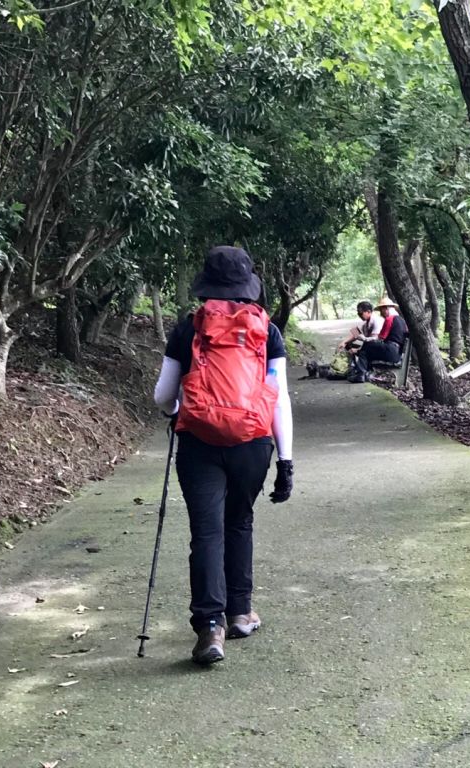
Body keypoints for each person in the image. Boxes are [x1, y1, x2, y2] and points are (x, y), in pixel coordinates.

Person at [153, 246, 294, 666]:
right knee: (240, 521)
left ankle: (209, 627)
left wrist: (181, 413)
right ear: (248, 285)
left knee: (207, 532)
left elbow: (162, 396)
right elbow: (279, 400)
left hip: (199, 443)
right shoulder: (266, 330)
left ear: (206, 285)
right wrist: (285, 461)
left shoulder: (188, 329)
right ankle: (240, 613)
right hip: (252, 442)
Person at [348, 296, 408, 383]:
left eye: (381, 310)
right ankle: (363, 374)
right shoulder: (402, 320)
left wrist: (364, 340)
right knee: (366, 350)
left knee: (367, 346)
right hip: (397, 352)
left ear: (385, 308)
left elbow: (380, 338)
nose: (381, 313)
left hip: (391, 352)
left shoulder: (389, 319)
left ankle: (361, 374)